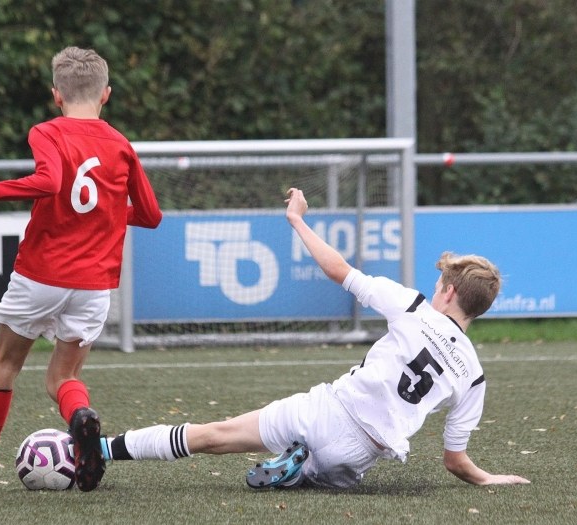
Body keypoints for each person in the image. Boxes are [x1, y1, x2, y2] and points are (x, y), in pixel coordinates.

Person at [98, 187, 529, 490]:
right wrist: (490, 479)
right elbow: (456, 461)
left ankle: (102, 448)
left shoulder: (414, 306)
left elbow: (338, 269)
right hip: (361, 452)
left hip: (326, 411)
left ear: (448, 292)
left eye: (439, 286)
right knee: (330, 479)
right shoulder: (473, 375)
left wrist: (297, 220)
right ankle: (301, 471)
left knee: (213, 435)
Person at [0, 46, 162, 497]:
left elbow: (49, 182)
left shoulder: (46, 131)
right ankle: (80, 420)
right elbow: (151, 214)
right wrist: (108, 215)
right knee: (62, 379)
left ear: (56, 95)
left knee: (6, 364)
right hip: (94, 285)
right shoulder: (121, 144)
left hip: (40, 274)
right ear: (106, 94)